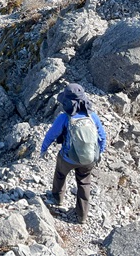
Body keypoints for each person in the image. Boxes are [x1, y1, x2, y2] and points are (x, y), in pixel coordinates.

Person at [40, 82, 106, 224]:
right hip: (89, 159)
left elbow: (51, 135)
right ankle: (82, 216)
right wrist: (99, 153)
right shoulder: (92, 116)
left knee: (60, 173)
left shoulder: (64, 118)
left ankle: (57, 198)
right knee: (84, 183)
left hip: (68, 158)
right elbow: (102, 136)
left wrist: (44, 149)